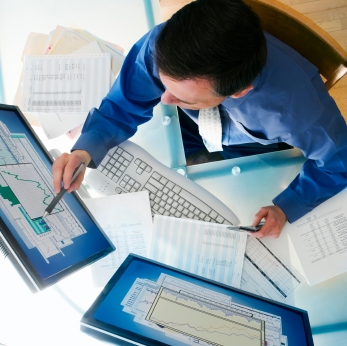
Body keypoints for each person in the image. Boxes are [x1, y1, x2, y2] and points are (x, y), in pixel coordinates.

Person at [52, 0, 347, 238]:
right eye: (165, 84)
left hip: (250, 141)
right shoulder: (165, 45)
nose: (164, 100)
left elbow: (338, 165)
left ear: (240, 91)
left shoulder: (299, 112)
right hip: (202, 122)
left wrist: (287, 206)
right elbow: (126, 102)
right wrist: (84, 149)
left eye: (182, 97)